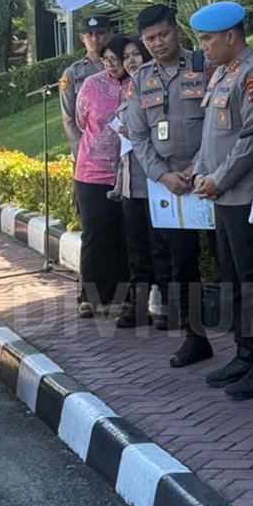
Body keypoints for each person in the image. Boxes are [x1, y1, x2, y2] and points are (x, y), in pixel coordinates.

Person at [190, 0, 253, 399]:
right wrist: (199, 171)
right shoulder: (220, 75)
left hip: (251, 198)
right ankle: (246, 353)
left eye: (208, 38)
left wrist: (217, 178)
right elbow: (211, 137)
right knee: (235, 281)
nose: (203, 46)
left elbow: (252, 139)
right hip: (225, 197)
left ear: (232, 36)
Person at [127, 4, 213, 368]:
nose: (158, 43)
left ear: (176, 31)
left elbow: (218, 124)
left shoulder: (203, 66)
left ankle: (248, 341)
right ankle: (196, 337)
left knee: (228, 259)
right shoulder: (140, 79)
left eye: (163, 34)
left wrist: (198, 168)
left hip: (209, 177)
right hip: (169, 186)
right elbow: (138, 134)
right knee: (182, 263)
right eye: (150, 39)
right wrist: (162, 175)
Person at [73, 33, 130, 316]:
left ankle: (124, 296)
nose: (111, 65)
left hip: (130, 171)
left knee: (124, 233)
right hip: (92, 171)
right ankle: (89, 296)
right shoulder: (91, 84)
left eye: (116, 60)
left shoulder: (139, 82)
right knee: (95, 233)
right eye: (106, 60)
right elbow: (81, 120)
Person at [113, 35, 156, 330]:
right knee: (136, 247)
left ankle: (168, 305)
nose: (131, 61)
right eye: (125, 57)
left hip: (159, 178)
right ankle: (138, 307)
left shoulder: (159, 84)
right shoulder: (128, 90)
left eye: (135, 55)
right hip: (131, 180)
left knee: (162, 246)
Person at [60, 14, 112, 165]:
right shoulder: (72, 74)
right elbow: (68, 119)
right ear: (82, 38)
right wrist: (82, 153)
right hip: (88, 152)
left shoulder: (122, 65)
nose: (95, 39)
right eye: (89, 34)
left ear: (110, 33)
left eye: (100, 33)